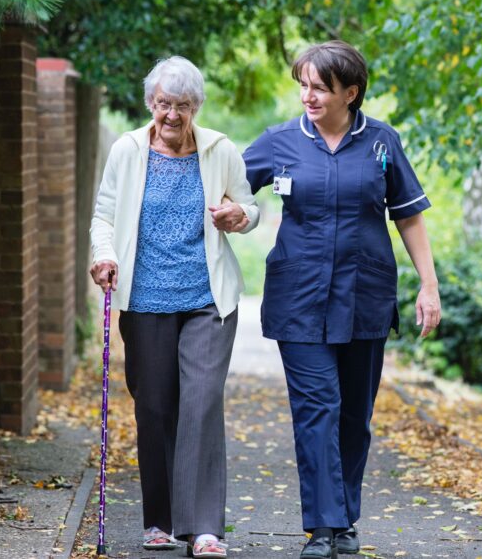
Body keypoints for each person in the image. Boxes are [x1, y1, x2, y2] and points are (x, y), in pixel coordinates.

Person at [243, 41, 441, 559]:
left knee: (355, 414)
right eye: (303, 85)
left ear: (350, 93)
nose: (307, 96)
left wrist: (429, 285)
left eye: (320, 87)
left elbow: (409, 216)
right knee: (318, 408)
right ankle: (324, 527)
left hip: (365, 295)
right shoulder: (280, 141)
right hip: (299, 298)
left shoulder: (381, 142)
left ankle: (345, 517)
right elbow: (227, 185)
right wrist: (233, 213)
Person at [90, 56, 258, 559]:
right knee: (156, 405)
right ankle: (161, 520)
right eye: (164, 104)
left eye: (182, 106)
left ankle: (204, 527)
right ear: (150, 104)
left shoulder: (219, 151)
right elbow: (104, 215)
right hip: (144, 300)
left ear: (196, 107)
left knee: (202, 401)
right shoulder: (127, 150)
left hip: (208, 299)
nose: (172, 115)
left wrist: (238, 216)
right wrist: (104, 256)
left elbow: (249, 206)